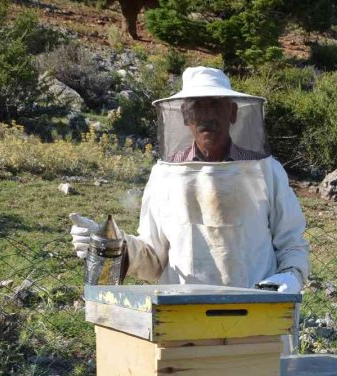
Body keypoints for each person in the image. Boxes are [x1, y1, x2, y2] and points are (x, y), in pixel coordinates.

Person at [70, 66, 309, 296]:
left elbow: (291, 242)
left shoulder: (266, 170)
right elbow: (152, 259)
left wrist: (292, 275)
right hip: (182, 308)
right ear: (185, 115)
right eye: (197, 107)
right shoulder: (164, 175)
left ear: (233, 112)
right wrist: (110, 244)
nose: (207, 116)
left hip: (256, 306)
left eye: (215, 104)